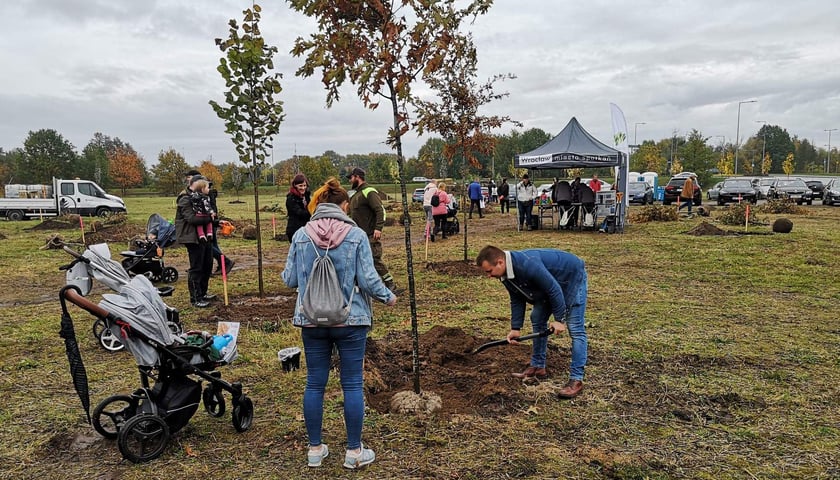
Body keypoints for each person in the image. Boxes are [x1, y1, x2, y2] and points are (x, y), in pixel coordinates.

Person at [282, 177, 397, 470]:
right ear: (345, 205)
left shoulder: (301, 235)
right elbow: (370, 280)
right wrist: (388, 297)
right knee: (352, 384)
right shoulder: (356, 235)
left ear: (317, 204)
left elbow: (290, 280)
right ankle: (354, 452)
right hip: (351, 320)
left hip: (311, 320)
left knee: (314, 384)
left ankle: (315, 450)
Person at [476, 245, 588, 399]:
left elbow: (554, 289)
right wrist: (516, 328)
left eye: (489, 271)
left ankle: (576, 379)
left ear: (500, 262)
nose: (488, 276)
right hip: (550, 284)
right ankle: (538, 366)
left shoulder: (528, 265)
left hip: (570, 277)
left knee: (576, 329)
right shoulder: (506, 273)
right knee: (537, 318)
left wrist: (559, 320)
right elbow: (516, 298)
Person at [347, 167, 400, 293]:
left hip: (370, 234)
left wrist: (378, 228)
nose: (350, 180)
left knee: (374, 259)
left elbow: (380, 210)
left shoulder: (368, 191)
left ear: (357, 177)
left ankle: (390, 284)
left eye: (351, 178)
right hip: (358, 235)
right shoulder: (356, 194)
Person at [176, 173, 216, 308]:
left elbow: (207, 215)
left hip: (205, 236)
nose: (208, 188)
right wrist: (211, 219)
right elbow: (192, 219)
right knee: (196, 267)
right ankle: (196, 298)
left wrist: (216, 222)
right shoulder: (185, 199)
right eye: (205, 185)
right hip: (192, 237)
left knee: (207, 265)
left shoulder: (202, 198)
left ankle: (203, 293)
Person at [208, 181, 235, 275]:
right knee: (213, 245)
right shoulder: (209, 195)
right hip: (212, 223)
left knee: (209, 246)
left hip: (209, 224)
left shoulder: (208, 196)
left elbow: (212, 210)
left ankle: (225, 262)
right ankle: (222, 264)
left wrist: (214, 221)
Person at [286, 173, 311, 243]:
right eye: (300, 186)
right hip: (294, 230)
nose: (303, 188)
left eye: (304, 185)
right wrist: (313, 212)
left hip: (306, 229)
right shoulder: (291, 198)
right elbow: (299, 213)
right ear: (295, 185)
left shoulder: (306, 196)